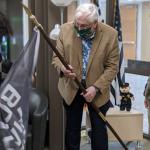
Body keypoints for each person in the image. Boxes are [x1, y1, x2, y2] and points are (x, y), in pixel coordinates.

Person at [52, 3, 119, 150]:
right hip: (71, 88)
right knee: (72, 131)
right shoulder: (65, 29)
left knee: (99, 132)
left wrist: (96, 87)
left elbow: (112, 67)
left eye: (84, 26)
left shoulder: (111, 35)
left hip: (97, 91)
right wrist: (63, 68)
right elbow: (56, 57)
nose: (79, 29)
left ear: (95, 24)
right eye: (77, 24)